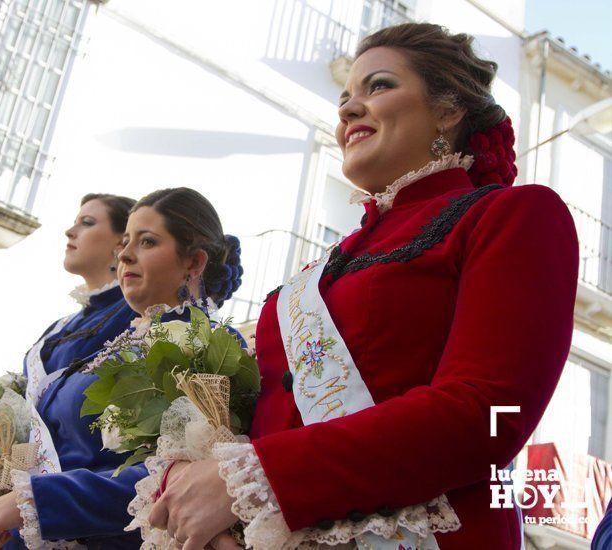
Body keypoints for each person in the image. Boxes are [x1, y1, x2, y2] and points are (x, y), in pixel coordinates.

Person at [149, 23, 579, 549]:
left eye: (377, 87)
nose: (348, 110)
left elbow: (493, 415)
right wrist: (199, 484)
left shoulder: (513, 215)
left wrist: (264, 480)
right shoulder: (321, 268)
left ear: (449, 109)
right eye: (344, 98)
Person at [0, 187, 243, 549]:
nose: (125, 254)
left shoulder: (208, 345)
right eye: (125, 241)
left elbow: (175, 481)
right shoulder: (120, 343)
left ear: (193, 263)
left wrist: (35, 500)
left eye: (146, 242)